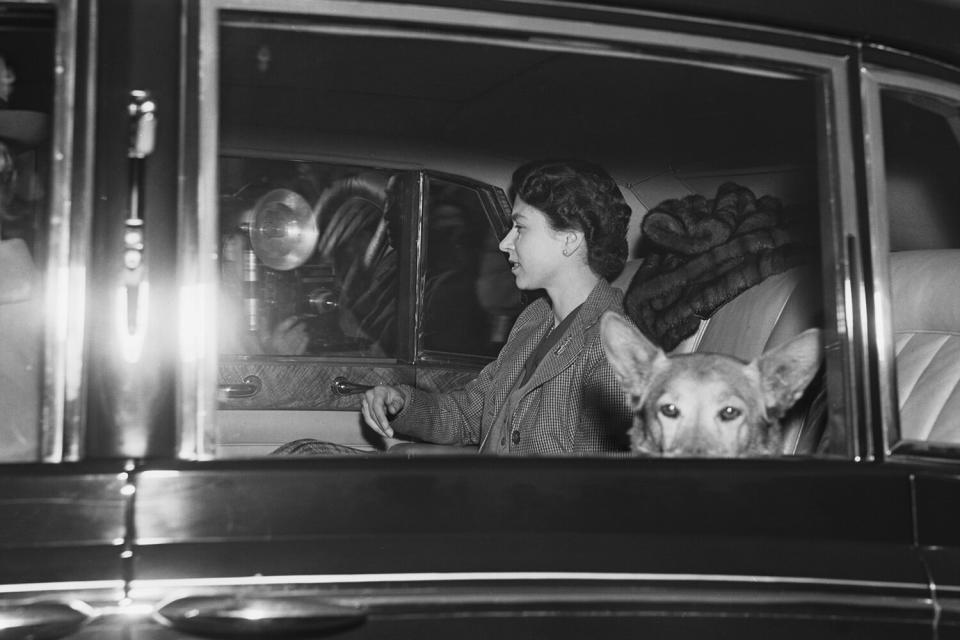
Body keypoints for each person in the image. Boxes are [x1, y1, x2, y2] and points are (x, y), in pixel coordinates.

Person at [360, 159, 634, 455]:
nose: (505, 243)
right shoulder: (536, 318)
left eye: (520, 228)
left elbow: (598, 487)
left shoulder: (612, 348)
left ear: (569, 239)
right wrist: (401, 402)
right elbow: (470, 413)